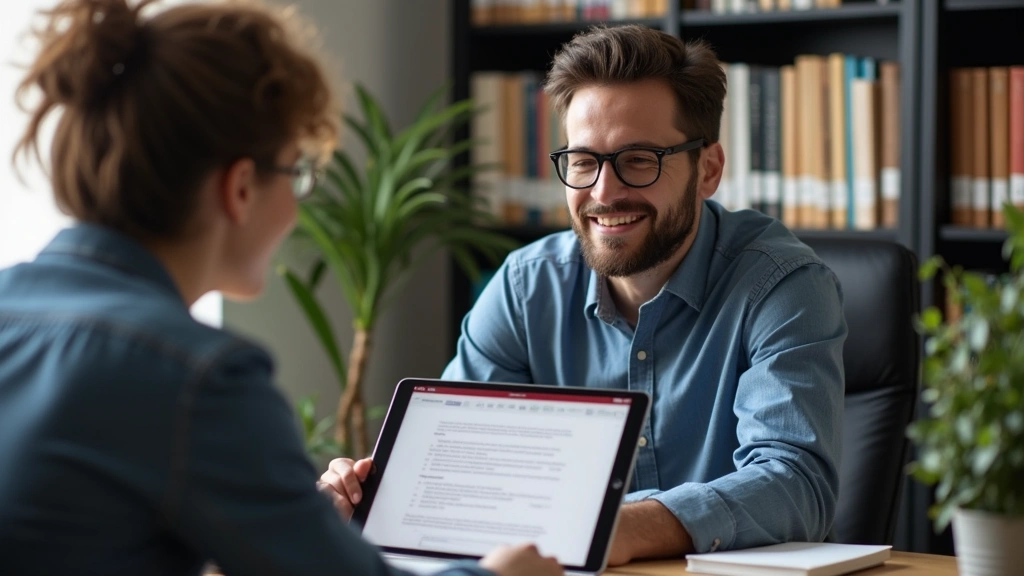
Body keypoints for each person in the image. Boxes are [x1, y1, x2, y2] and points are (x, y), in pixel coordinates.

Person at [0, 1, 564, 575]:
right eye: (296, 172)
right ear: (241, 188)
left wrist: (291, 520)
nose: (298, 206)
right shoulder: (198, 378)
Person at [320, 24, 847, 566]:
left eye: (639, 159)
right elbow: (461, 466)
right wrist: (369, 498)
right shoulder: (526, 287)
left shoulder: (780, 285)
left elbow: (794, 483)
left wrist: (612, 531)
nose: (602, 192)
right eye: (582, 161)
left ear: (707, 170)